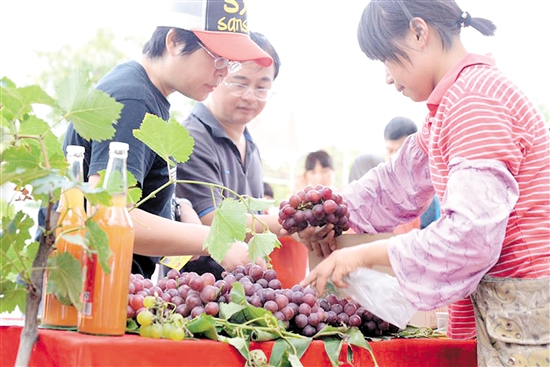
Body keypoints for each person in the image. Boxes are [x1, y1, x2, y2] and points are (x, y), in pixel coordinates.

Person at [299, 1, 549, 365]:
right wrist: (316, 215)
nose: (387, 77)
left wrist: (361, 254)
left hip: (528, 315)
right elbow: (392, 184)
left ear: (419, 32)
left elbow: (469, 235)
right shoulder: (454, 102)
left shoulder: (475, 100)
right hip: (513, 309)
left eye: (386, 59)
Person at [61, 0, 273, 280]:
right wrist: (213, 239)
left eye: (230, 63)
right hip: (89, 293)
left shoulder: (148, 95)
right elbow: (107, 216)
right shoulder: (133, 101)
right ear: (174, 41)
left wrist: (178, 207)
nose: (223, 72)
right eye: (217, 57)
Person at [175, 31, 292, 279]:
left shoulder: (250, 143)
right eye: (240, 83)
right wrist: (293, 222)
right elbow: (211, 221)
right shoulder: (191, 139)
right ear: (217, 75)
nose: (250, 96)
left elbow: (255, 221)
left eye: (262, 87)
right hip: (201, 297)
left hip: (247, 292)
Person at [384, 116, 440, 232]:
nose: (394, 157)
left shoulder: (430, 192)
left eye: (399, 151)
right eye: (390, 150)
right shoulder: (381, 190)